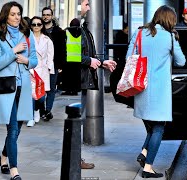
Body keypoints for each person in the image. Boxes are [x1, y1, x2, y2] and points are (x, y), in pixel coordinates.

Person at [127, 5, 186, 178]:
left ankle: (144, 153)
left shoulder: (139, 33)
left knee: (152, 126)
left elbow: (128, 58)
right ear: (170, 19)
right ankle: (148, 168)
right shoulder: (169, 37)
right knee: (159, 128)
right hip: (160, 91)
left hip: (141, 87)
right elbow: (181, 62)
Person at [0, 2, 38, 179]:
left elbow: (34, 60)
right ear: (5, 16)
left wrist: (26, 61)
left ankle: (3, 157)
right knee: (13, 130)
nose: (17, 17)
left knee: (18, 127)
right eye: (13, 14)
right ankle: (14, 170)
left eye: (19, 14)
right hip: (6, 87)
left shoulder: (27, 34)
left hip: (23, 86)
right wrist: (13, 51)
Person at [80, 0, 117, 169]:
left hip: (82, 80)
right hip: (75, 82)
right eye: (86, 4)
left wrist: (101, 63)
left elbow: (86, 54)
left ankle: (76, 159)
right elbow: (69, 56)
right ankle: (76, 159)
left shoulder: (82, 27)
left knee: (77, 121)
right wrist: (90, 61)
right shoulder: (74, 28)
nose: (89, 7)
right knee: (75, 122)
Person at [27, 16, 54, 127]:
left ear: (42, 26)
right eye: (34, 24)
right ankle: (31, 117)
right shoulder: (27, 39)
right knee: (31, 94)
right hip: (31, 69)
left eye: (39, 24)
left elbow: (50, 55)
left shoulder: (47, 40)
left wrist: (49, 68)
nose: (36, 26)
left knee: (41, 96)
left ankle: (37, 109)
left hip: (43, 70)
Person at [41, 7, 66, 121]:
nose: (46, 17)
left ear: (52, 16)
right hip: (40, 65)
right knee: (40, 89)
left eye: (48, 15)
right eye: (44, 15)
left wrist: (61, 66)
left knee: (51, 89)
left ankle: (47, 111)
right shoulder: (39, 29)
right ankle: (41, 110)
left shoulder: (59, 32)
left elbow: (62, 49)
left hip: (54, 65)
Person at [109, 22, 134, 107]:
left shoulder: (123, 37)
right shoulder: (122, 37)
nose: (127, 30)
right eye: (126, 28)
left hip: (123, 61)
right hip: (123, 61)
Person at [62, 18, 82, 96]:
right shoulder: (82, 32)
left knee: (67, 76)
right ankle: (75, 90)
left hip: (68, 58)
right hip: (79, 58)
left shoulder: (66, 32)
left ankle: (68, 90)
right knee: (76, 76)